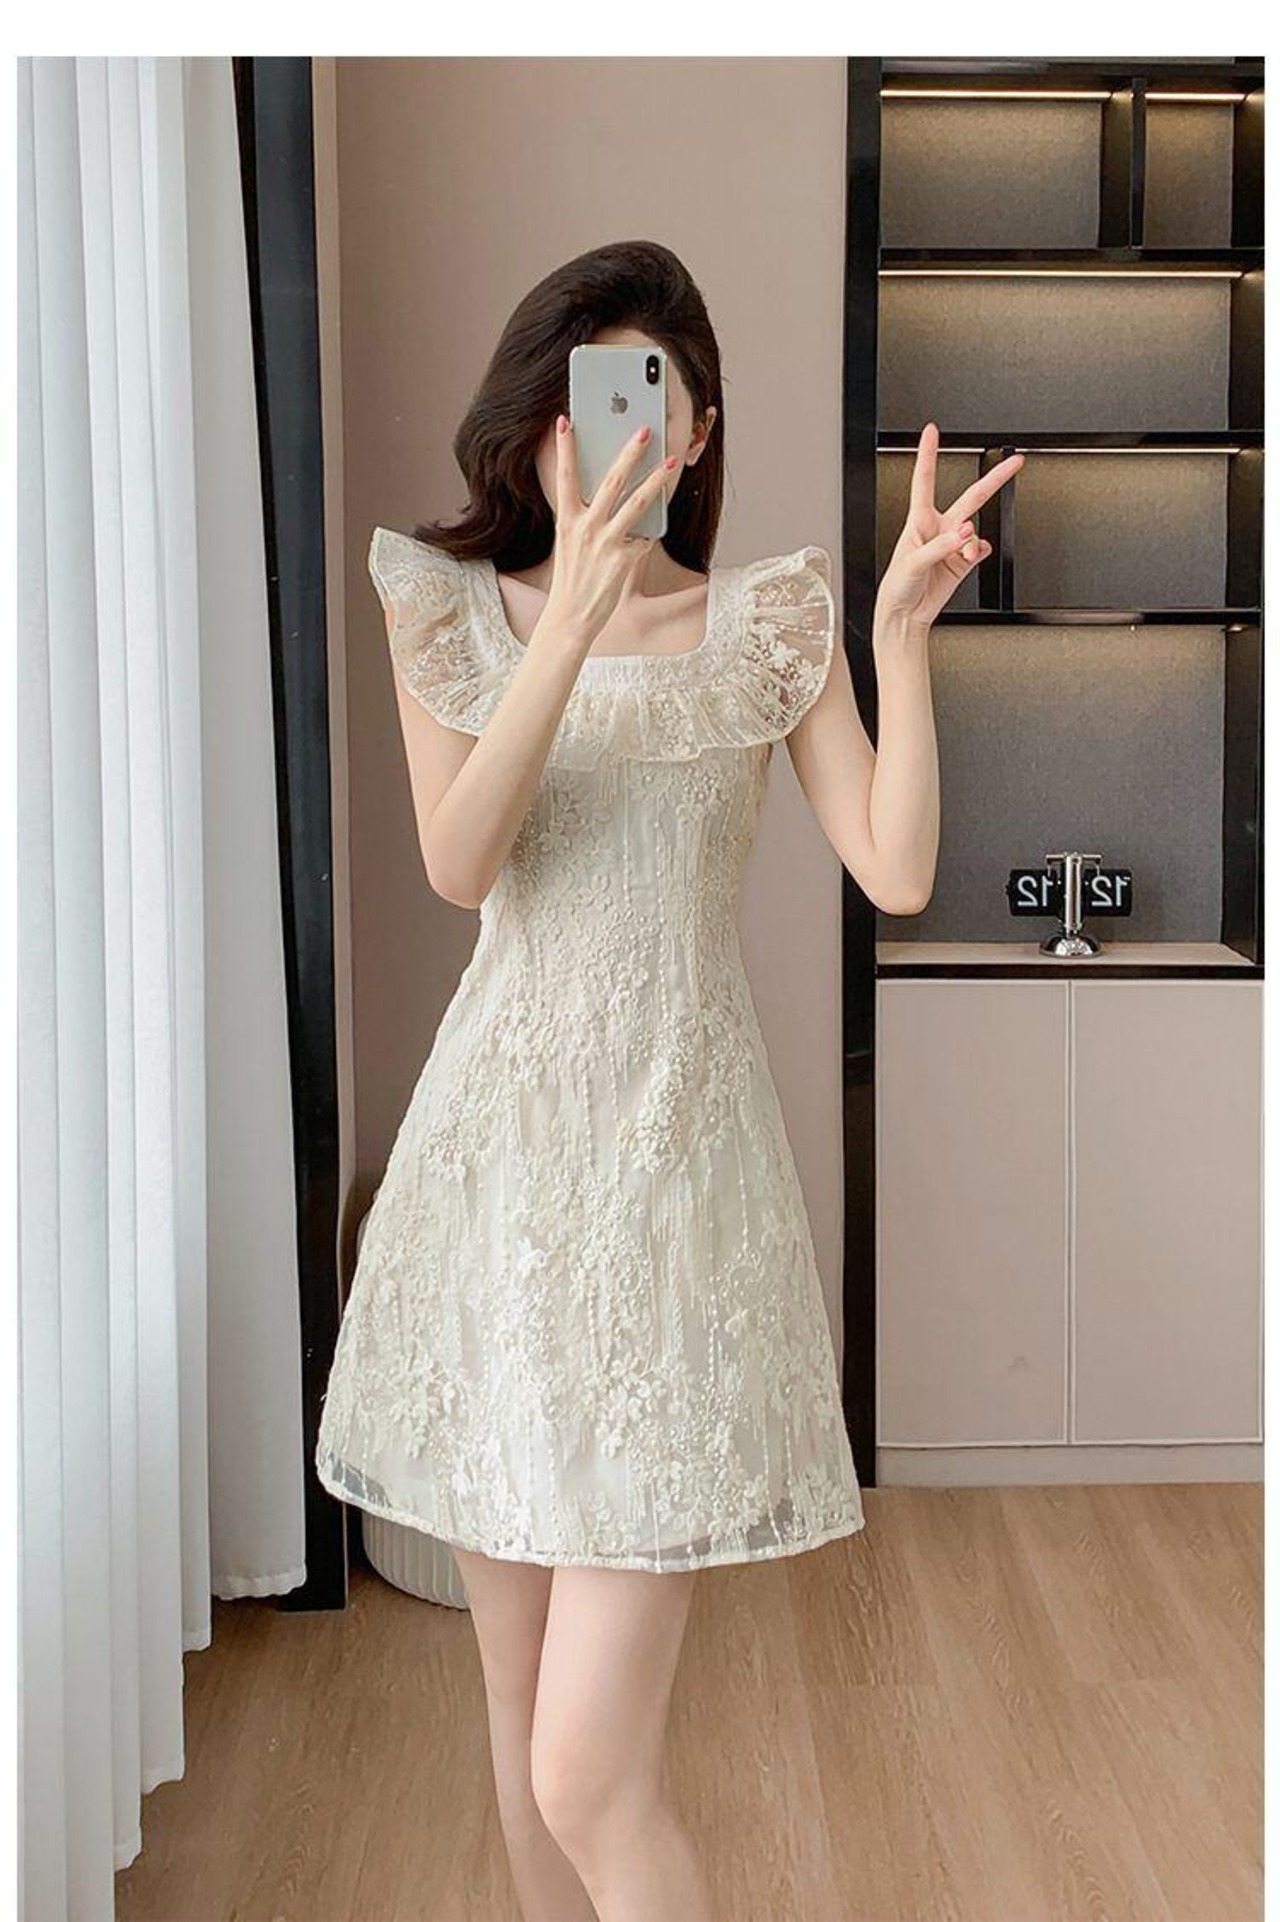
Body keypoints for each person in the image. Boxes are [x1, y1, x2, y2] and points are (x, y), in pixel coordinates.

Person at [315, 239, 1022, 1922]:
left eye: (651, 399)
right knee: (517, 1733)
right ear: (542, 420)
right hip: (498, 1204)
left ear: (698, 433)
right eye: (585, 396)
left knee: (590, 1773)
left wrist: (901, 638)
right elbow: (462, 863)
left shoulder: (768, 624)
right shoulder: (448, 610)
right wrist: (566, 615)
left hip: (672, 1215)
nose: (614, 429)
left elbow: (898, 865)